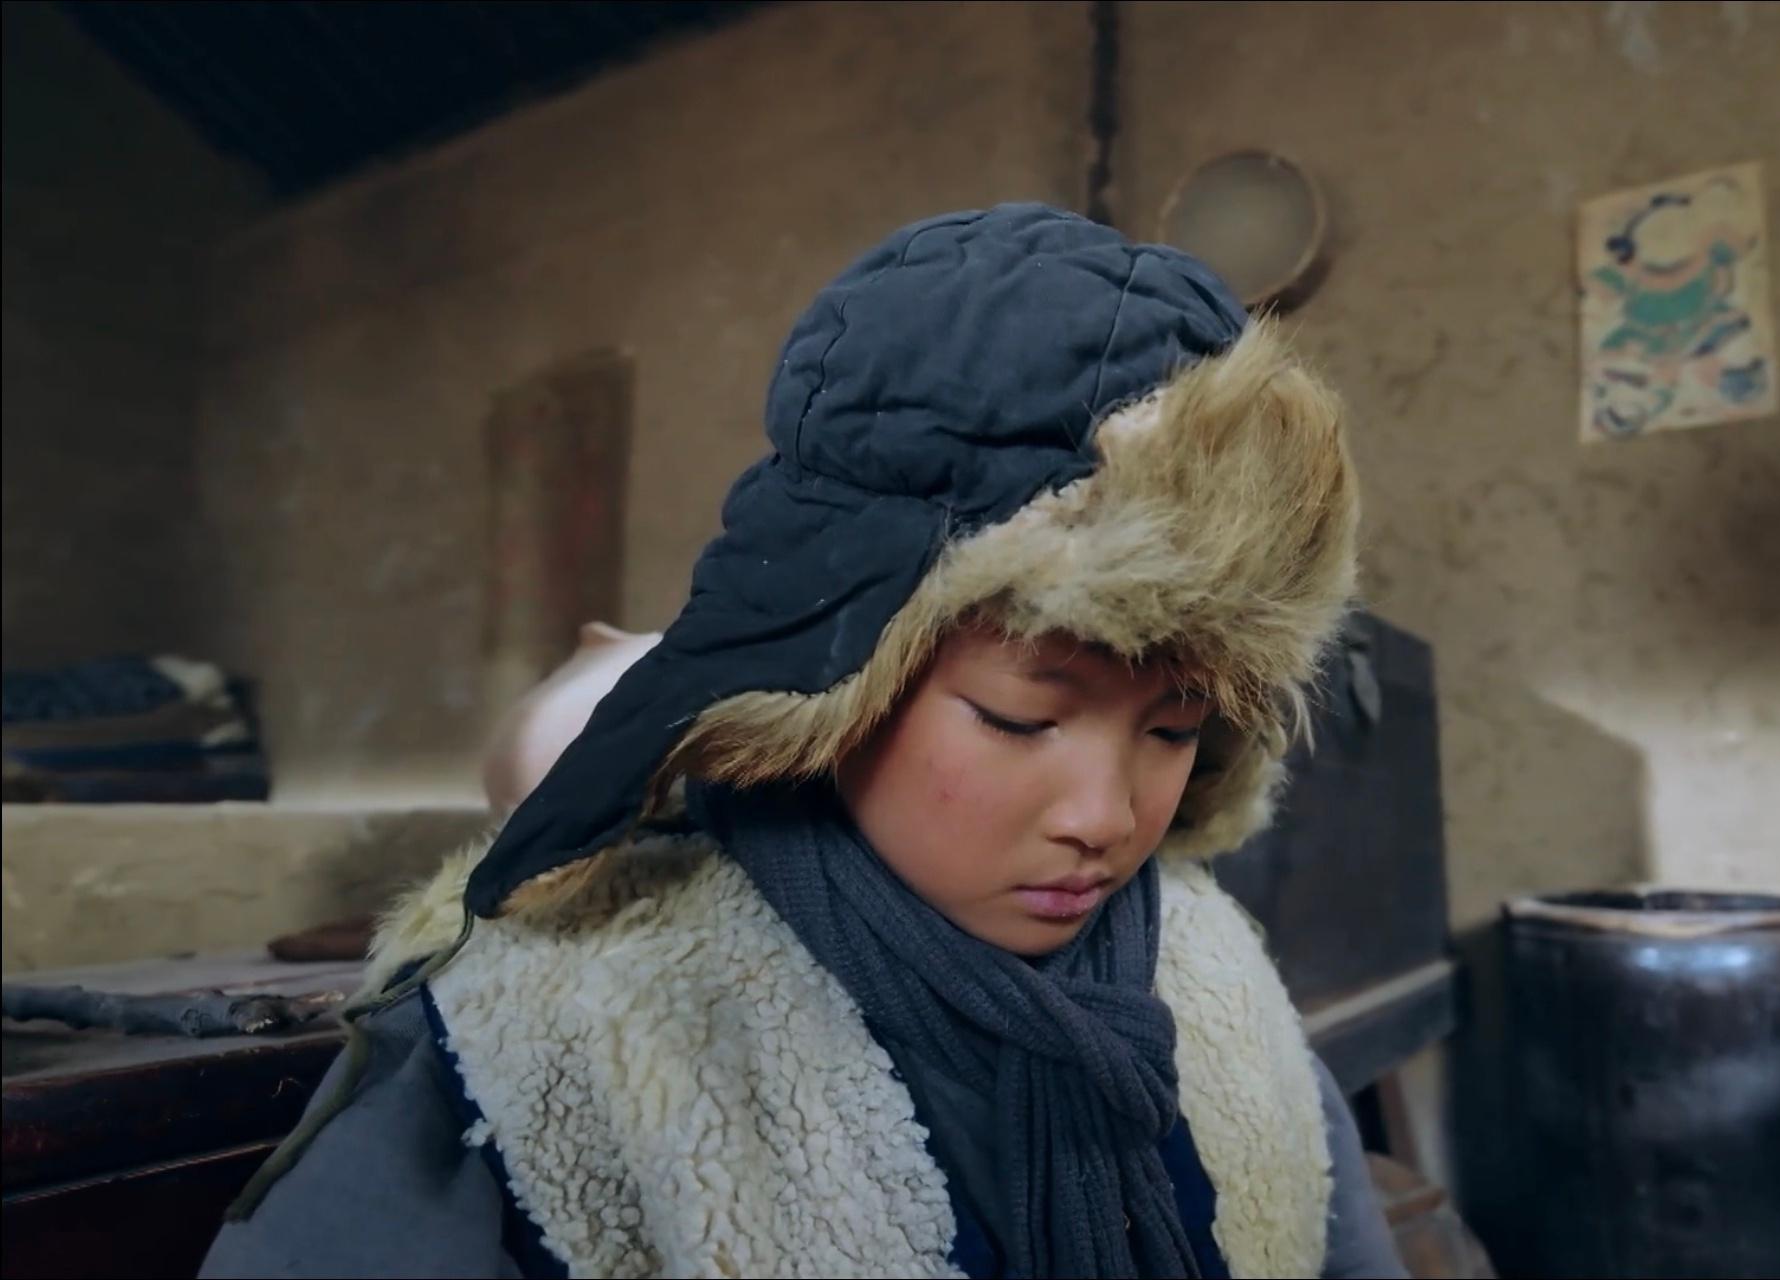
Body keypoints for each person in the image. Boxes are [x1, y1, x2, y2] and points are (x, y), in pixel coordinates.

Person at [202, 203, 1405, 1279]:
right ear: (842, 668)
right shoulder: (562, 1030)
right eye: (1019, 716)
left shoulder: (1212, 978)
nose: (1102, 815)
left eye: (1173, 726)